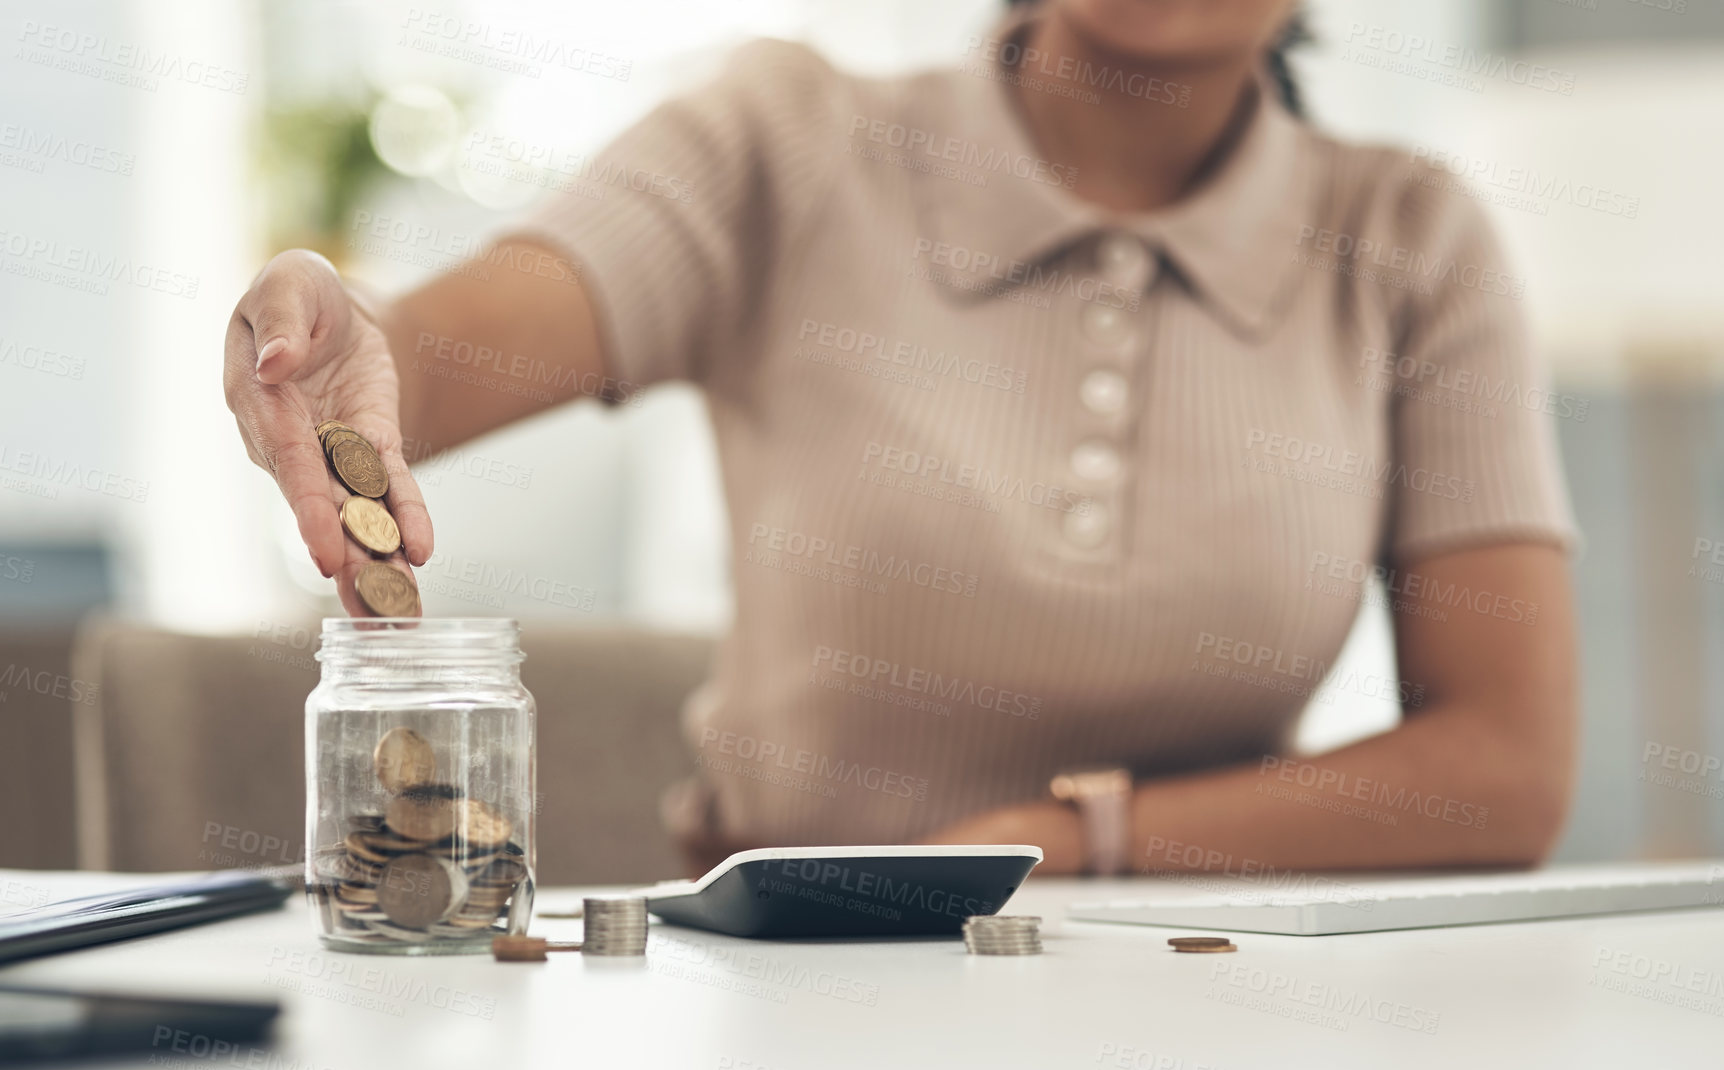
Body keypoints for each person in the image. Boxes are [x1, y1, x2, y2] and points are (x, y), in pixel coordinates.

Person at [223, 0, 1577, 877]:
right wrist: (352, 339)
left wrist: (1077, 840)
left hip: (1202, 993)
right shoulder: (784, 143)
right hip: (789, 1004)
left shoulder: (1408, 240)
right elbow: (429, 362)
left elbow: (1504, 770)